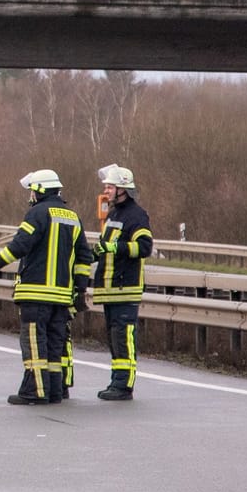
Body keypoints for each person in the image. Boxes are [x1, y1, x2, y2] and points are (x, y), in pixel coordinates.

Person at [0, 171, 95, 406]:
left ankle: (35, 391)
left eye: (32, 190)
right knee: (54, 345)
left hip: (35, 293)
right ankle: (53, 391)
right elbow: (84, 257)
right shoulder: (72, 217)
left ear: (40, 190)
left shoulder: (37, 213)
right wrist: (79, 289)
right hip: (61, 297)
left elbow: (18, 247)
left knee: (34, 344)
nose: (30, 195)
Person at [92, 164, 153, 401]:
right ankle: (116, 381)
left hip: (125, 288)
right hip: (110, 289)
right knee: (114, 338)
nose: (106, 190)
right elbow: (105, 248)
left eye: (110, 186)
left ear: (123, 189)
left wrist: (116, 247)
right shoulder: (114, 214)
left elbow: (145, 247)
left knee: (124, 336)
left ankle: (124, 385)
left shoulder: (136, 215)